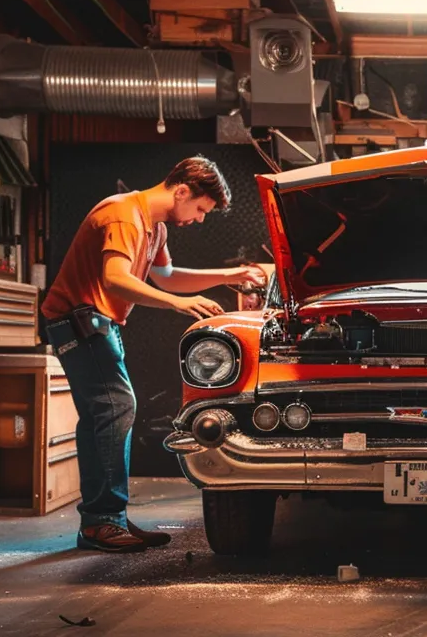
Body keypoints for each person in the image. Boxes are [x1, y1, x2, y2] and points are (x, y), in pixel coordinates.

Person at [40, 156, 267, 553]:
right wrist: (176, 305)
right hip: (79, 323)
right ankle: (102, 521)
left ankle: (104, 517)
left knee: (106, 412)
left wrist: (229, 275)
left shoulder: (155, 227)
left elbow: (166, 276)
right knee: (114, 408)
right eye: (199, 209)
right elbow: (116, 278)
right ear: (181, 191)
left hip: (98, 323)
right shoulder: (124, 214)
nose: (198, 219)